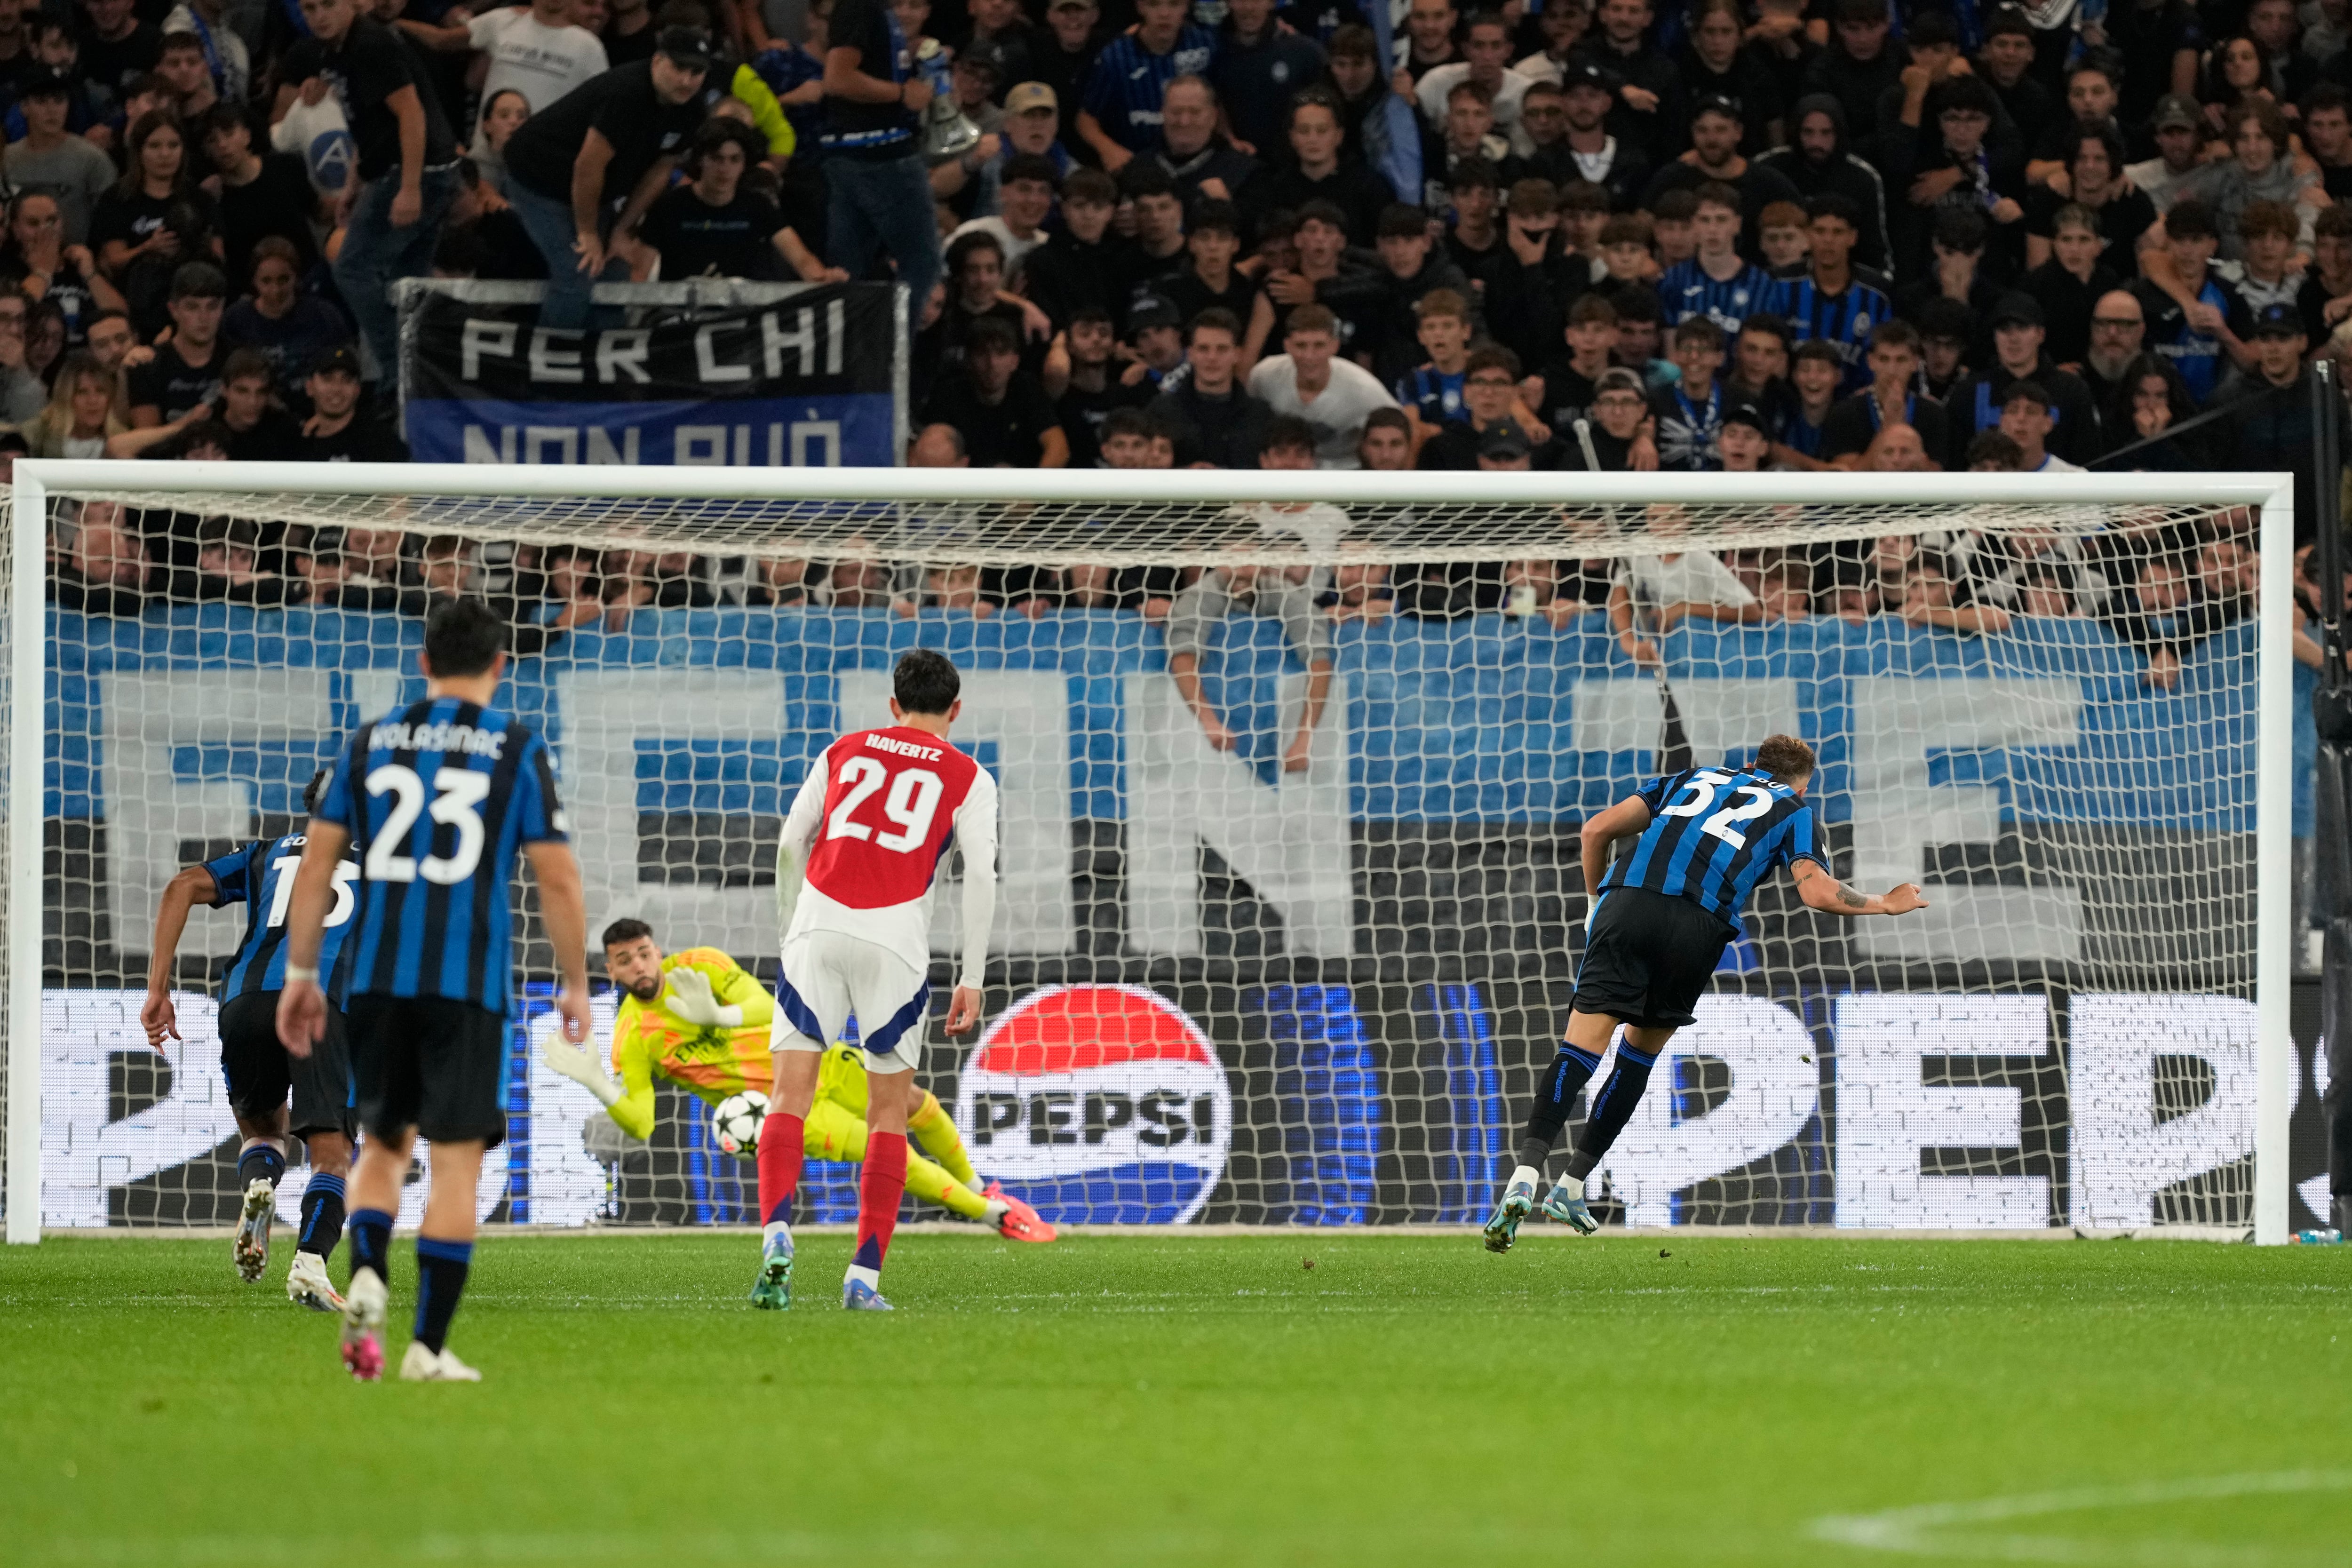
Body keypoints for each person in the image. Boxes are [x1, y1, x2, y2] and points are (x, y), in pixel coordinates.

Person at [277, 597, 591, 1382]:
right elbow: (555, 875)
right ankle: (427, 1346)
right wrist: (577, 980)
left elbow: (315, 868)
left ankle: (368, 1273)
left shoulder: (370, 742)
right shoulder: (516, 748)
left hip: (378, 981)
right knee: (456, 1164)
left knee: (381, 1147)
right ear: (500, 664)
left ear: (422, 664)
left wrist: (304, 973)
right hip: (469, 984)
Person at [1481, 733, 1926, 1248]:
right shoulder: (1794, 811)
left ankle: (1525, 1174)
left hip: (1627, 905)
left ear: (1748, 765)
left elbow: (1595, 829)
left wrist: (1593, 902)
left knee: (1580, 1049)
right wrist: (1884, 903)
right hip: (1697, 926)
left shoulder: (1692, 779)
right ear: (1803, 784)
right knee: (1636, 1058)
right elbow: (1817, 892)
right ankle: (1573, 1184)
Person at [542, 920, 1052, 1242]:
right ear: (611, 971)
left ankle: (981, 1186)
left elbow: (769, 1007)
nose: (639, 965)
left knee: (919, 1105)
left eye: (644, 952)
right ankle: (995, 1217)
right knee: (890, 1150)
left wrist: (717, 1016)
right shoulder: (633, 1035)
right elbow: (642, 1123)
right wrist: (599, 1084)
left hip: (818, 1060)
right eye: (625, 961)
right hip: (787, 1109)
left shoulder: (701, 966)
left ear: (657, 949)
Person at [759, 648, 999, 1311]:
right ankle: (862, 1279)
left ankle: (777, 1233)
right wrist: (972, 975)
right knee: (889, 1112)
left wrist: (791, 930)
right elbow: (980, 876)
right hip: (894, 942)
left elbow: (789, 841)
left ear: (893, 705)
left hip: (817, 926)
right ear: (956, 710)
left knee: (788, 1096)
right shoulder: (970, 776)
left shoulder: (845, 749)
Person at [140, 768, 360, 1313]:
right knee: (332, 1157)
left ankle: (260, 1186)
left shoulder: (268, 851)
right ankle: (310, 1262)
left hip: (247, 1001)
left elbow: (181, 887)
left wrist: (158, 990)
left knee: (263, 1130)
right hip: (322, 1003)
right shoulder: (387, 863)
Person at [274, 0, 462, 388]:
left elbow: (411, 113)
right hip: (411, 170)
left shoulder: (371, 44)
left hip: (416, 171)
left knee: (352, 268)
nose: (318, 16)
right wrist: (354, 182)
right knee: (405, 280)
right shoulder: (334, 51)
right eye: (309, 9)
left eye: (328, 5)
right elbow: (369, 120)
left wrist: (410, 188)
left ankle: (402, 373)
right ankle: (425, 366)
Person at [500, 31, 713, 328]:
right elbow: (588, 165)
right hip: (538, 180)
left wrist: (621, 230)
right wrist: (588, 233)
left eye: (697, 72)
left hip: (594, 188)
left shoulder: (693, 109)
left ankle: (600, 363)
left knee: (615, 273)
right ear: (657, 61)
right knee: (578, 272)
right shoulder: (626, 92)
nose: (687, 81)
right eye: (679, 69)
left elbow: (660, 171)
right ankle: (547, 364)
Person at [1164, 418, 1342, 768]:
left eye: (1250, 551)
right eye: (1233, 552)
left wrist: (1305, 738)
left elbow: (1319, 657)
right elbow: (1182, 655)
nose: (1243, 563)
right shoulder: (1202, 593)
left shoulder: (1283, 589)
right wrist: (1209, 722)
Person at [816, 0, 941, 331]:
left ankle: (849, 367)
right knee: (922, 263)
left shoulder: (875, 9)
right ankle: (889, 363)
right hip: (882, 154)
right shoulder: (862, 6)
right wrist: (901, 93)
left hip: (849, 155)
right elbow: (838, 80)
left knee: (846, 274)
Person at [635, 117, 839, 280]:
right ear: (701, 160)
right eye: (717, 159)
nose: (725, 169)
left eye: (734, 160)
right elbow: (640, 272)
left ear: (744, 164)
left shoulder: (758, 206)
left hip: (742, 318)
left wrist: (823, 278)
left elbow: (801, 259)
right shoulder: (669, 206)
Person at [1245, 303, 1398, 467]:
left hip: (1345, 477)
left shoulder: (1364, 389)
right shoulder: (1264, 376)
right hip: (1286, 472)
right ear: (1287, 346)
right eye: (1301, 346)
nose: (1309, 356)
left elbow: (1405, 429)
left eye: (1319, 346)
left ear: (1335, 346)